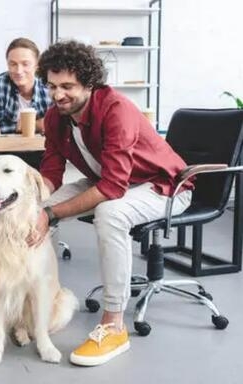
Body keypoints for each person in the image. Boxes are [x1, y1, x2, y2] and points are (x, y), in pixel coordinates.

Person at [31, 40, 193, 366]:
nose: (58, 94)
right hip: (110, 180)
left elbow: (112, 188)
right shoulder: (54, 117)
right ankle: (34, 304)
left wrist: (51, 213)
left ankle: (113, 325)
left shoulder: (116, 109)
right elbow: (51, 170)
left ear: (89, 83)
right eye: (51, 86)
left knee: (110, 213)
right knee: (30, 212)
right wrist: (40, 206)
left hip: (164, 186)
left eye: (67, 87)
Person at [0, 37, 52, 215]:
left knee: (41, 190)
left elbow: (57, 125)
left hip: (40, 153)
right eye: (12, 64)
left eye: (25, 64)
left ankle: (38, 232)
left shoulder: (49, 87)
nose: (18, 70)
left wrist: (34, 125)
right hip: (0, 152)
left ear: (37, 65)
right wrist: (22, 126)